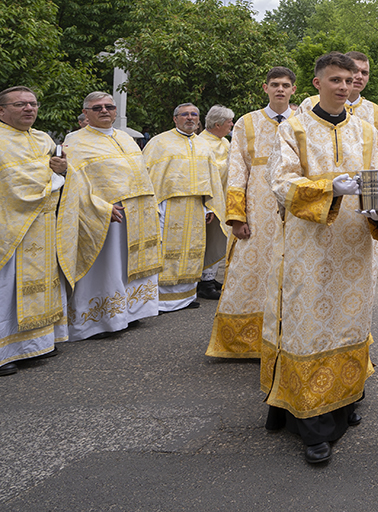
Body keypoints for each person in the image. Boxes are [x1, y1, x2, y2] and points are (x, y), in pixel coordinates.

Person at [262, 52, 378, 465]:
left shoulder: (368, 130)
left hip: (355, 244)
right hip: (309, 245)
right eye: (334, 79)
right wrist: (328, 188)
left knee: (350, 321)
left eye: (349, 78)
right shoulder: (295, 129)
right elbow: (281, 182)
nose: (343, 85)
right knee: (308, 324)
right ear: (317, 83)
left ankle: (345, 397)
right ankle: (312, 423)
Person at [57, 92, 162, 341]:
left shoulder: (124, 137)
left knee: (127, 264)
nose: (104, 111)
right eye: (97, 108)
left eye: (109, 107)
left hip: (136, 213)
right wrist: (101, 207)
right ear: (86, 113)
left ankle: (129, 312)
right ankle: (98, 320)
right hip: (103, 213)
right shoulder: (75, 141)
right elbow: (74, 183)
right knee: (107, 266)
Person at [206, 67, 296, 359]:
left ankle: (291, 337)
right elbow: (236, 171)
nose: (280, 89)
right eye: (275, 85)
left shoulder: (303, 121)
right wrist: (236, 216)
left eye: (285, 85)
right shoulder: (247, 122)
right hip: (258, 209)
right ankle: (246, 342)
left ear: (294, 89)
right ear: (265, 88)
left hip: (295, 208)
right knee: (251, 270)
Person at [0, 86, 66, 375]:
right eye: (19, 105)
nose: (29, 109)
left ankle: (37, 343)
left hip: (42, 224)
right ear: (1, 110)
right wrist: (53, 181)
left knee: (40, 283)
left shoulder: (43, 138)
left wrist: (62, 169)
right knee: (7, 289)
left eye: (32, 104)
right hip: (9, 225)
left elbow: (56, 171)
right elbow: (16, 184)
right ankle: (4, 352)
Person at [140, 103, 226, 313]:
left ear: (198, 120)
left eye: (194, 114)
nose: (189, 118)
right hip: (168, 205)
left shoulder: (203, 145)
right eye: (184, 114)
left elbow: (212, 179)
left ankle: (186, 297)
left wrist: (209, 207)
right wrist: (154, 205)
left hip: (196, 205)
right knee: (165, 251)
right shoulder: (159, 142)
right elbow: (149, 175)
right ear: (175, 118)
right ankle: (160, 300)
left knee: (192, 251)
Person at [197, 104, 234, 300]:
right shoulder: (202, 144)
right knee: (208, 241)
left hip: (224, 198)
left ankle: (209, 277)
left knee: (218, 239)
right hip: (209, 201)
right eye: (229, 122)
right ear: (218, 123)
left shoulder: (224, 142)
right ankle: (204, 281)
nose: (232, 125)